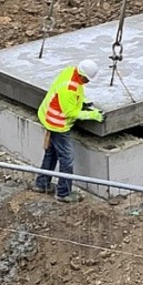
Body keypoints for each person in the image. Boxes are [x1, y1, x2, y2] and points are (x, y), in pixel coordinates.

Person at [36, 59, 105, 202]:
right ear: (82, 76)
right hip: (58, 123)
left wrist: (81, 100)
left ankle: (42, 184)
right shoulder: (70, 88)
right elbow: (70, 112)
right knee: (67, 158)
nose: (87, 82)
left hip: (48, 115)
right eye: (87, 79)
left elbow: (71, 95)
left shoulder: (70, 72)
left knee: (52, 153)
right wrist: (92, 115)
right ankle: (63, 193)